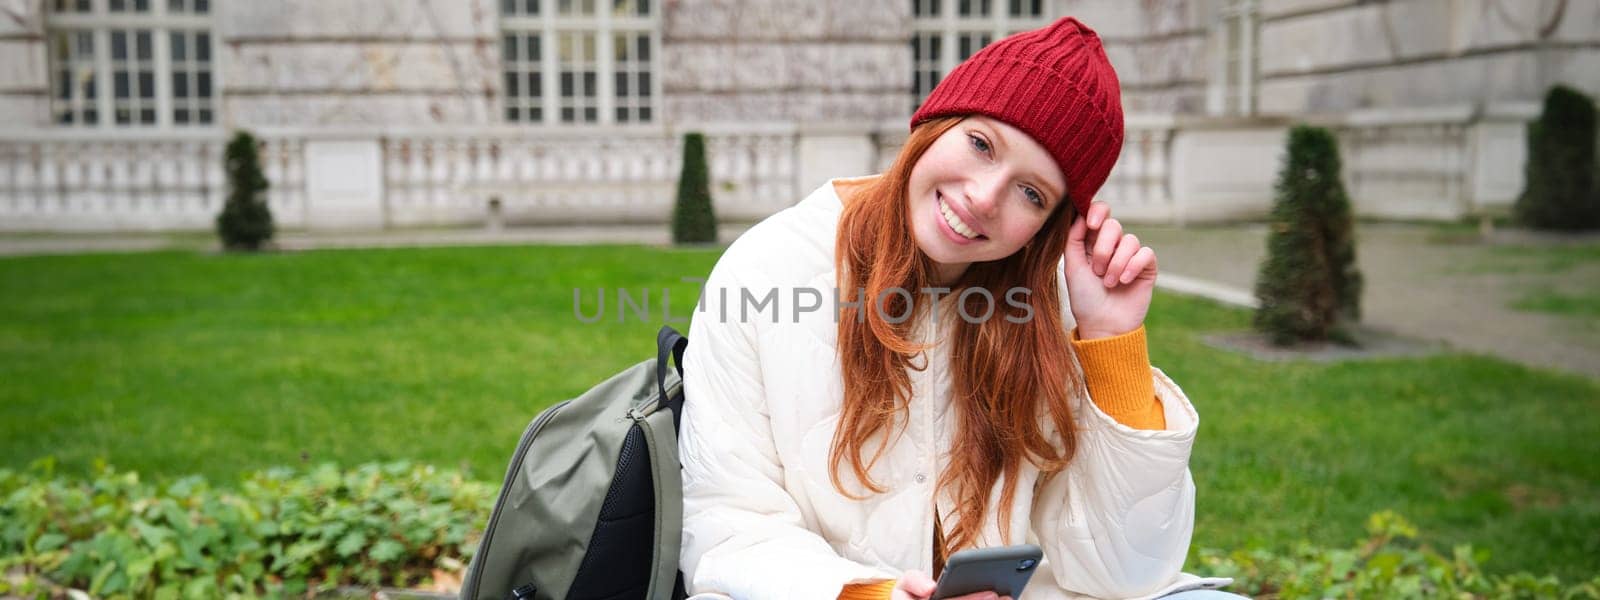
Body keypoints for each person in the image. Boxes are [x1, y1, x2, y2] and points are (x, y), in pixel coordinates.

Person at [676, 16, 1243, 600]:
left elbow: (1128, 573)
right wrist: (871, 594)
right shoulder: (765, 270)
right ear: (935, 123)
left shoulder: (1049, 302)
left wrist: (1111, 343)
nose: (983, 197)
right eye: (980, 144)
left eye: (1032, 193)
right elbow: (727, 530)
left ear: (1049, 226)